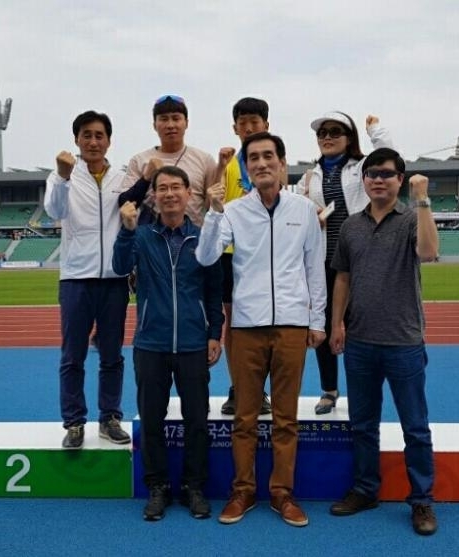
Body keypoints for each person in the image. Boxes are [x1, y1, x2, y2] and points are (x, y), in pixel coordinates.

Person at [196, 132, 326, 528]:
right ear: (246, 167)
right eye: (253, 158)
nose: (261, 163)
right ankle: (243, 490)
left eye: (269, 156)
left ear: (282, 164)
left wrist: (317, 320)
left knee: (286, 418)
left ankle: (283, 493)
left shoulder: (304, 210)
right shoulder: (233, 211)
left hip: (291, 325)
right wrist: (213, 212)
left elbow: (314, 267)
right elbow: (206, 256)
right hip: (247, 326)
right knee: (245, 418)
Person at [328, 147, 439, 536]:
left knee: (415, 427)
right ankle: (365, 489)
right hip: (360, 341)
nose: (378, 179)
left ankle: (421, 499)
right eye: (372, 173)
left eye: (387, 174)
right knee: (363, 424)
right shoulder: (351, 226)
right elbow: (342, 277)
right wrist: (336, 323)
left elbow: (429, 252)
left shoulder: (410, 219)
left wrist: (422, 200)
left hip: (403, 341)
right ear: (364, 180)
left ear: (400, 180)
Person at [113, 166, 224, 521]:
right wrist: (126, 230)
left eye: (177, 187)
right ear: (154, 196)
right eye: (163, 188)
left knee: (197, 420)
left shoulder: (203, 238)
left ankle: (194, 486)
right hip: (151, 343)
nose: (170, 193)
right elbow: (120, 266)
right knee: (151, 420)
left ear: (189, 193)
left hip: (193, 343)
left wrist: (214, 334)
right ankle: (157, 486)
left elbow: (214, 292)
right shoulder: (142, 236)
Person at [44, 110, 131, 450]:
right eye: (86, 135)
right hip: (76, 279)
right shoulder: (62, 176)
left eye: (99, 135)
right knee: (73, 356)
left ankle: (109, 418)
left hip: (113, 279)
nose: (93, 141)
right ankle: (74, 422)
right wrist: (63, 177)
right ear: (76, 140)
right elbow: (55, 211)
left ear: (109, 140)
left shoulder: (121, 178)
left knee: (112, 355)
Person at [297, 111, 393, 415]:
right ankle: (329, 389)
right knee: (323, 326)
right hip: (324, 261)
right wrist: (309, 212)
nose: (327, 137)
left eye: (335, 132)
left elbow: (390, 159)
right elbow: (294, 206)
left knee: (360, 329)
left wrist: (375, 131)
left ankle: (362, 391)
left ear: (349, 137)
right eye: (322, 133)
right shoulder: (310, 175)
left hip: (360, 260)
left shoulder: (363, 168)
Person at [218, 97, 279, 417]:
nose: (249, 127)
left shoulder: (274, 161)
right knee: (233, 324)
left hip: (265, 254)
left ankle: (260, 389)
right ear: (235, 128)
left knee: (267, 324)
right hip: (231, 254)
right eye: (243, 123)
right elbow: (215, 202)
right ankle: (237, 386)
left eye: (255, 122)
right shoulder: (227, 162)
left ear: (266, 125)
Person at [119, 94, 219, 226]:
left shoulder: (204, 160)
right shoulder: (139, 160)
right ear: (154, 125)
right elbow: (124, 203)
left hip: (193, 237)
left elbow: (211, 205)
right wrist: (146, 178)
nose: (170, 125)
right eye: (164, 119)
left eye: (176, 118)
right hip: (150, 237)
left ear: (186, 123)